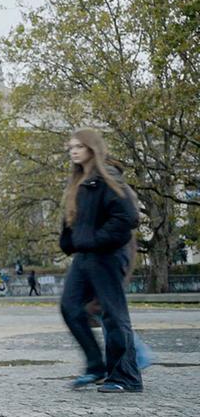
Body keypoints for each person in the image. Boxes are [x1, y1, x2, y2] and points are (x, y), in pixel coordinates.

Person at [59, 129, 142, 393]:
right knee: (70, 308)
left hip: (107, 255)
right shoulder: (80, 181)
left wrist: (95, 240)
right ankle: (96, 365)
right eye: (71, 147)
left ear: (92, 148)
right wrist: (69, 240)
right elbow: (75, 218)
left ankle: (125, 378)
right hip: (85, 256)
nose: (73, 151)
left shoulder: (107, 177)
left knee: (114, 316)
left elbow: (127, 218)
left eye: (79, 146)